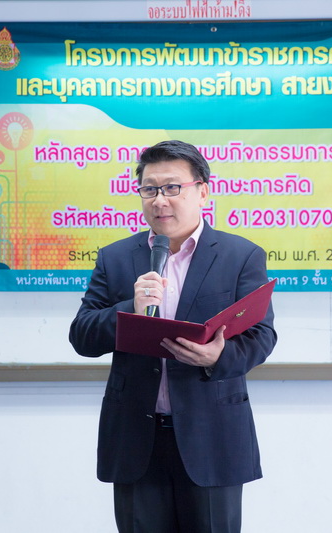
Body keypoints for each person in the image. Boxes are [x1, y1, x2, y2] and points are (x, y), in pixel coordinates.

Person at [69, 140, 277, 533]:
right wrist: (129, 306)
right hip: (136, 439)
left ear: (203, 191)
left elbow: (261, 336)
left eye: (172, 187)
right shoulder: (115, 258)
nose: (159, 200)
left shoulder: (240, 256)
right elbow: (82, 335)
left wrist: (218, 357)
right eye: (149, 189)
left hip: (211, 436)